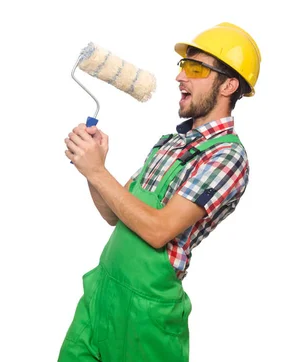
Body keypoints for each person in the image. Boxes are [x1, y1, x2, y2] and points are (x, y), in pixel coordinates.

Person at [59, 22, 261, 361]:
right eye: (184, 66)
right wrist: (91, 167)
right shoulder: (170, 144)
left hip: (146, 316)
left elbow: (158, 230)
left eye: (196, 69)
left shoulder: (226, 156)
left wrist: (98, 171)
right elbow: (113, 214)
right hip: (102, 294)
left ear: (228, 85)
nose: (181, 77)